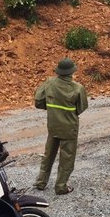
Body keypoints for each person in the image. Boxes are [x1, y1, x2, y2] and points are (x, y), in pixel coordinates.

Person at [34, 57, 88, 195]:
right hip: (69, 128)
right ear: (72, 72)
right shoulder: (78, 88)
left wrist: (53, 109)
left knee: (48, 154)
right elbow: (81, 108)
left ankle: (41, 182)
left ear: (58, 71)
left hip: (53, 126)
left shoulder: (49, 83)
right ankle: (61, 186)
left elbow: (38, 101)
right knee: (67, 157)